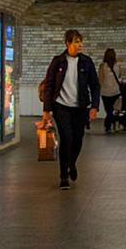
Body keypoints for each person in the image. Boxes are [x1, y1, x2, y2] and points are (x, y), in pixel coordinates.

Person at [40, 29, 98, 189]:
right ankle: (63, 176)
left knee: (78, 139)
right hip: (61, 106)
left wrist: (94, 107)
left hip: (80, 107)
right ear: (68, 43)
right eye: (76, 42)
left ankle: (71, 164)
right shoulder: (58, 62)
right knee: (66, 138)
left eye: (81, 42)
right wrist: (47, 109)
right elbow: (49, 86)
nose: (80, 45)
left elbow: (94, 86)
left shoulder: (86, 62)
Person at [98, 48, 123, 132]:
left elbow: (100, 79)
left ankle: (108, 125)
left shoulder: (102, 65)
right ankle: (114, 123)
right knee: (114, 109)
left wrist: (98, 90)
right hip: (116, 91)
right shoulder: (118, 65)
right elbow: (119, 76)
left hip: (105, 91)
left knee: (108, 110)